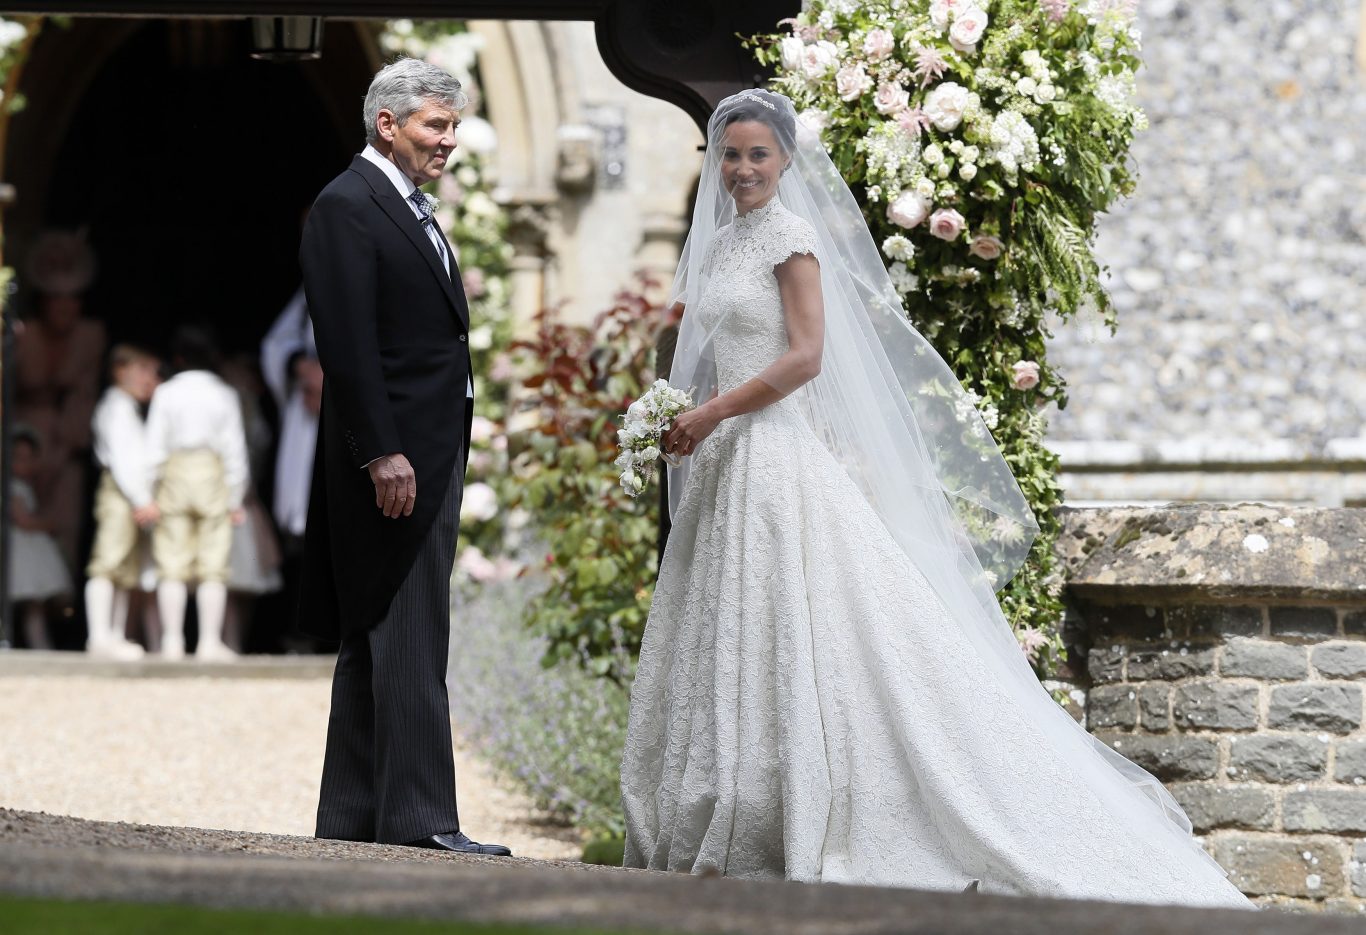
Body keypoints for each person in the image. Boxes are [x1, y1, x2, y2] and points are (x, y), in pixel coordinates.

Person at [619, 90, 1251, 909]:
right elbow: (715, 348)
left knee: (813, 627)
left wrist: (709, 413)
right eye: (730, 155)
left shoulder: (791, 240)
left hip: (773, 453)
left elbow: (807, 357)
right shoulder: (723, 246)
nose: (742, 169)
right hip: (727, 461)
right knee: (733, 626)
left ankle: (827, 803)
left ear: (784, 162)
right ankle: (737, 806)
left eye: (758, 155)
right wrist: (673, 412)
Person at [300, 57, 508, 857]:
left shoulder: (404, 206)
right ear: (387, 124)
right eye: (435, 125)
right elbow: (347, 343)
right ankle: (423, 819)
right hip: (395, 460)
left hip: (425, 450)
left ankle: (353, 820)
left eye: (452, 126)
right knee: (411, 630)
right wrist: (382, 451)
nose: (448, 141)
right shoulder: (348, 206)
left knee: (382, 630)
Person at [144, 325, 249, 662]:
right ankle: (208, 643)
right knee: (213, 563)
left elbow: (153, 445)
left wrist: (148, 490)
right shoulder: (224, 393)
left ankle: (172, 643)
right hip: (211, 472)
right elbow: (235, 449)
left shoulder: (166, 392)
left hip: (174, 472)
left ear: (177, 358)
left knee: (170, 562)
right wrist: (235, 495)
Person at [14, 229, 106, 567]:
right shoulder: (25, 335)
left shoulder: (89, 336)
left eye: (73, 298)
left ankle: (58, 601)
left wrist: (65, 446)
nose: (67, 307)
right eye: (58, 298)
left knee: (62, 519)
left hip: (64, 442)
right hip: (19, 435)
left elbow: (85, 394)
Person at [85, 343, 161, 659]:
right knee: (108, 563)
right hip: (122, 491)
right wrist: (141, 498)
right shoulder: (116, 407)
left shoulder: (127, 408)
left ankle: (114, 634)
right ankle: (99, 635)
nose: (150, 379)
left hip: (130, 493)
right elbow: (122, 460)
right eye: (143, 370)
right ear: (120, 371)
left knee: (125, 569)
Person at [8, 425, 73, 649]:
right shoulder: (12, 487)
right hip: (19, 551)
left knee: (34, 605)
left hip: (29, 550)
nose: (23, 463)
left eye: (28, 458)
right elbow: (23, 520)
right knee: (30, 603)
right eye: (17, 457)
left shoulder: (26, 486)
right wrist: (49, 525)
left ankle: (40, 645)